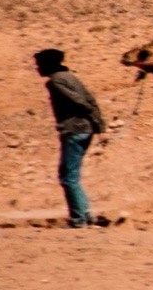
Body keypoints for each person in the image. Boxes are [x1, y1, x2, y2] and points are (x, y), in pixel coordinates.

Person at [35, 46, 108, 226]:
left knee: (68, 177)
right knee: (71, 176)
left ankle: (79, 219)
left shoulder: (55, 81)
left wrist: (97, 125)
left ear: (47, 64)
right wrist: (99, 126)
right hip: (85, 129)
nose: (37, 68)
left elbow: (81, 102)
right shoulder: (70, 77)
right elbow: (90, 100)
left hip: (74, 130)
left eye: (39, 64)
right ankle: (85, 215)